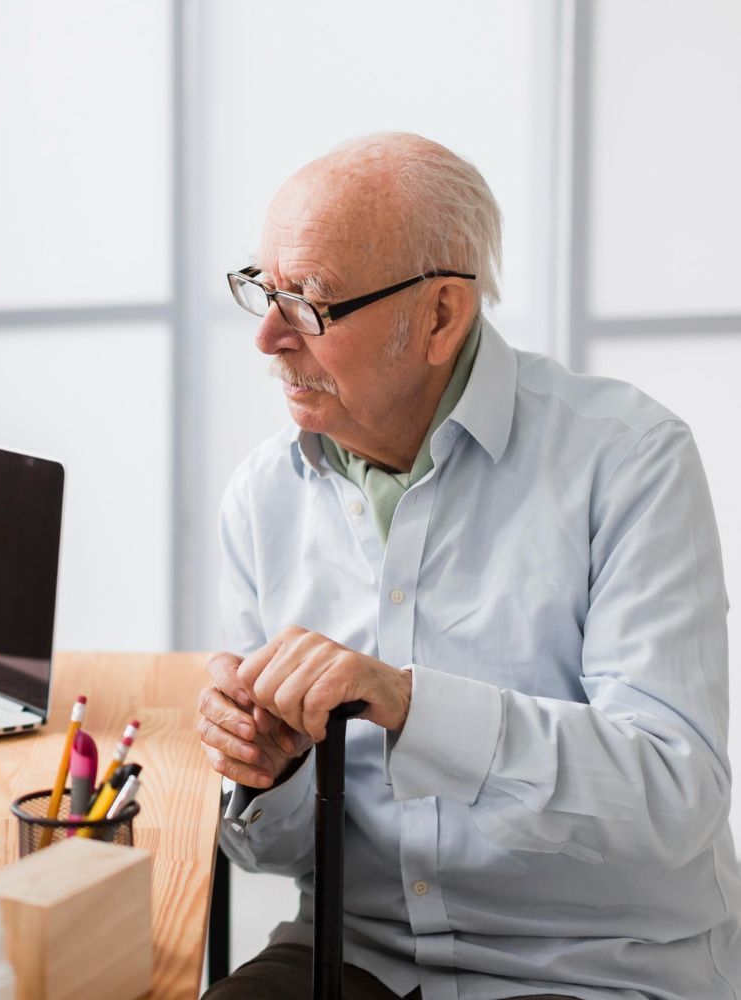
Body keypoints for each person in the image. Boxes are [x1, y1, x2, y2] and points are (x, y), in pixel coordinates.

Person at [197, 133, 740, 999]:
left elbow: (675, 794)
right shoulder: (263, 495)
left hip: (595, 968)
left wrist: (413, 705)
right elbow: (275, 853)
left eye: (307, 302)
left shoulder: (631, 461)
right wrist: (275, 766)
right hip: (355, 949)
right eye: (263, 289)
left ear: (443, 316)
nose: (267, 335)